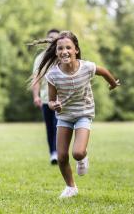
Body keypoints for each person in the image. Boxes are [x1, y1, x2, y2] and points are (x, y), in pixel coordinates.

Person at [33, 31, 120, 198]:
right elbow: (50, 101)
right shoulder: (53, 74)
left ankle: (82, 158)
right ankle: (71, 187)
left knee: (78, 152)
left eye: (68, 48)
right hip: (64, 116)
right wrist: (54, 105)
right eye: (60, 48)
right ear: (56, 52)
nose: (64, 51)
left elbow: (103, 71)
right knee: (62, 156)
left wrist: (112, 84)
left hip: (83, 113)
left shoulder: (86, 67)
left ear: (76, 50)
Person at [32, 29, 60, 165]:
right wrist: (36, 96)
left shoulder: (62, 56)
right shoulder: (40, 58)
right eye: (50, 38)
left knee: (58, 126)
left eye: (55, 38)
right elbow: (36, 78)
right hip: (45, 98)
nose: (52, 40)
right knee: (50, 127)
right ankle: (53, 153)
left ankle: (60, 152)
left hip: (60, 100)